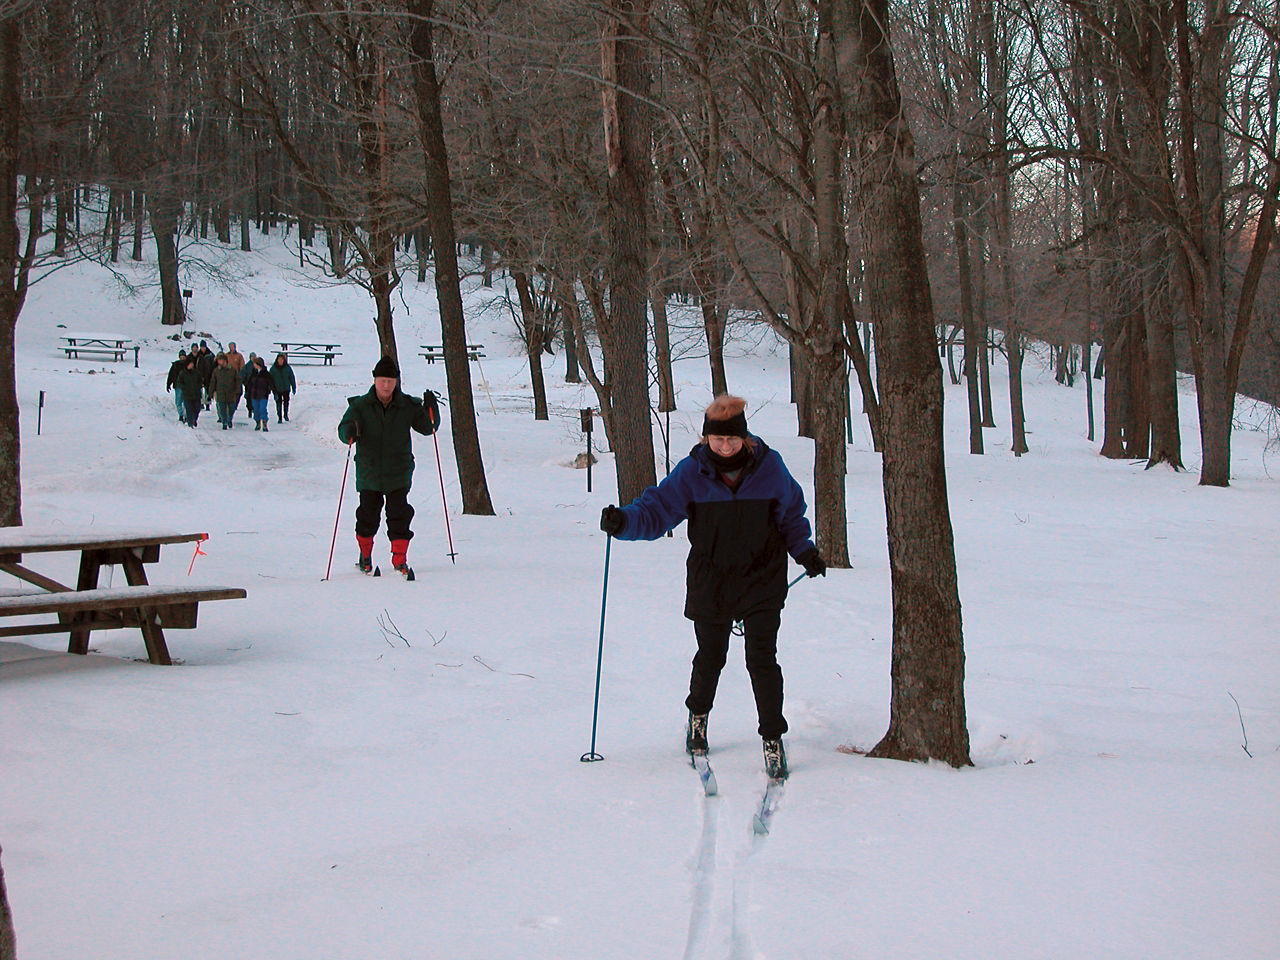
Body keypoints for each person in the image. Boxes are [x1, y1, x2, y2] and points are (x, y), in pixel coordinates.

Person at [599, 395, 826, 780]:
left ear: (744, 436)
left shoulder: (770, 467)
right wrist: (624, 522)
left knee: (762, 659)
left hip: (761, 577)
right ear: (706, 438)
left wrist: (803, 550)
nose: (725, 446)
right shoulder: (692, 472)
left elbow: (791, 513)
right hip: (711, 579)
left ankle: (772, 737)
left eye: (732, 439)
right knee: (711, 656)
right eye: (717, 439)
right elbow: (657, 510)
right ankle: (698, 717)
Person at [336, 356, 441, 579]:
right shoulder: (361, 406)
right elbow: (343, 428)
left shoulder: (407, 405)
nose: (386, 385)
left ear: (396, 382)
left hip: (398, 471)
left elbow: (428, 428)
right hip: (369, 471)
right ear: (375, 380)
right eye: (382, 380)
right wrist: (348, 432)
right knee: (367, 516)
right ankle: (365, 556)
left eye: (390, 381)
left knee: (399, 516)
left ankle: (399, 559)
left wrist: (432, 409)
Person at [209, 353, 243, 430]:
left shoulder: (232, 370)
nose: (219, 362)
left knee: (231, 408)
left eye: (221, 360)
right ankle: (224, 422)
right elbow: (213, 382)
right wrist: (210, 393)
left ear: (225, 361)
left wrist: (238, 390)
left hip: (231, 393)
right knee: (222, 409)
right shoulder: (216, 371)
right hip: (220, 393)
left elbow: (237, 380)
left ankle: (229, 419)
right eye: (218, 360)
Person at [244, 354, 275, 431]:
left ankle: (264, 423)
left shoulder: (266, 374)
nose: (254, 365)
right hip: (254, 395)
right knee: (256, 409)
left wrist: (274, 392)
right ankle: (258, 422)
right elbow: (249, 384)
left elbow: (271, 384)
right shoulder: (253, 373)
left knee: (262, 409)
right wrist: (247, 392)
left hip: (263, 395)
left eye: (255, 364)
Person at [176, 354, 204, 428]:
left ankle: (194, 419)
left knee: (197, 408)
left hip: (196, 394)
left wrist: (199, 386)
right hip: (187, 394)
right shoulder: (182, 373)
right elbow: (179, 382)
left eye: (192, 364)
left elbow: (200, 381)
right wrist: (184, 388)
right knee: (189, 409)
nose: (192, 365)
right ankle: (190, 422)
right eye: (190, 364)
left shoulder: (196, 372)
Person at [269, 352, 297, 423]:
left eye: (282, 359)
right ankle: (279, 417)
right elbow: (269, 379)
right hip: (277, 389)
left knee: (286, 402)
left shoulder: (287, 368)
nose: (280, 361)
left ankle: (285, 414)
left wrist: (293, 387)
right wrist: (269, 388)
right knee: (278, 403)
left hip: (286, 388)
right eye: (279, 359)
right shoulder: (273, 369)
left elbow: (292, 377)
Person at [165, 349, 189, 423]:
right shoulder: (175, 365)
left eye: (183, 356)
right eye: (181, 356)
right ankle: (181, 415)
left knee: (186, 402)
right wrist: (168, 384)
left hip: (186, 387)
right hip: (177, 386)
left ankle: (186, 416)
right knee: (178, 402)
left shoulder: (188, 365)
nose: (182, 357)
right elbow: (171, 376)